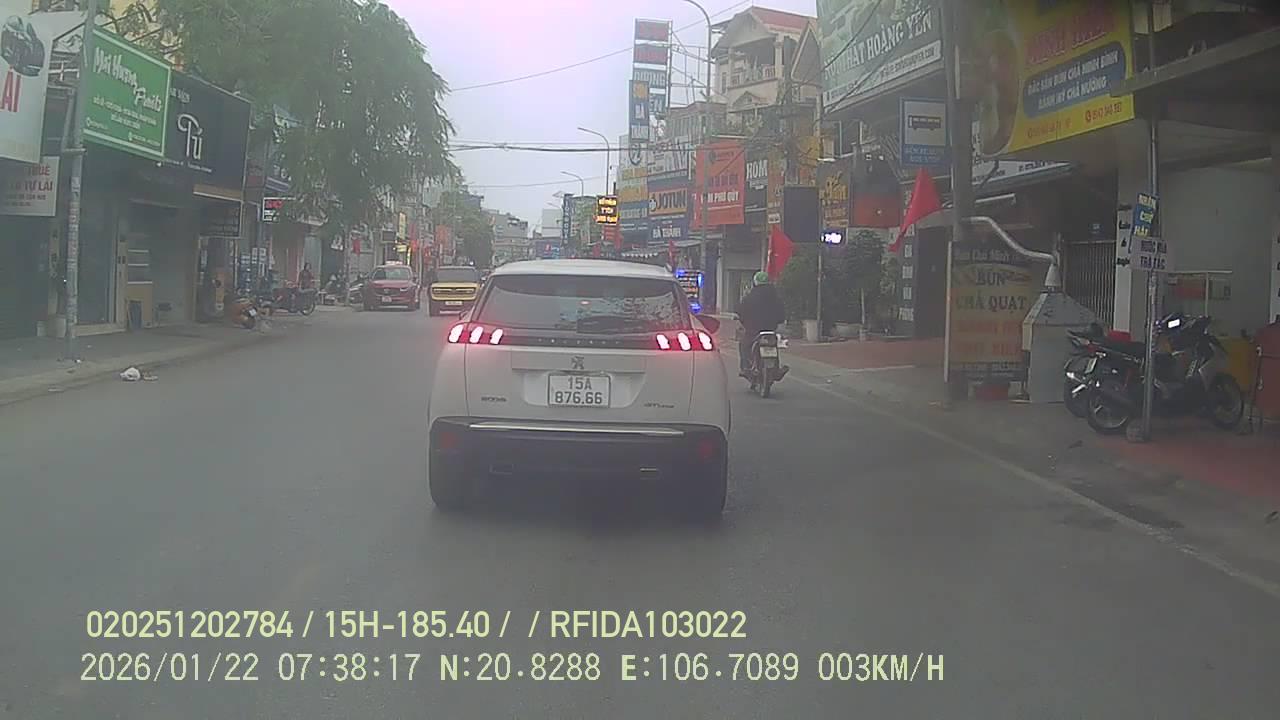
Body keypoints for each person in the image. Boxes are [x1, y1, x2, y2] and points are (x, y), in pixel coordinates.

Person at [737, 271, 787, 377]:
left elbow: (741, 312)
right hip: (770, 329)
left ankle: (745, 367)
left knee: (743, 345)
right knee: (773, 345)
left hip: (753, 331)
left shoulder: (749, 297)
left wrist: (743, 320)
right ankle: (776, 369)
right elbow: (782, 315)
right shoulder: (776, 297)